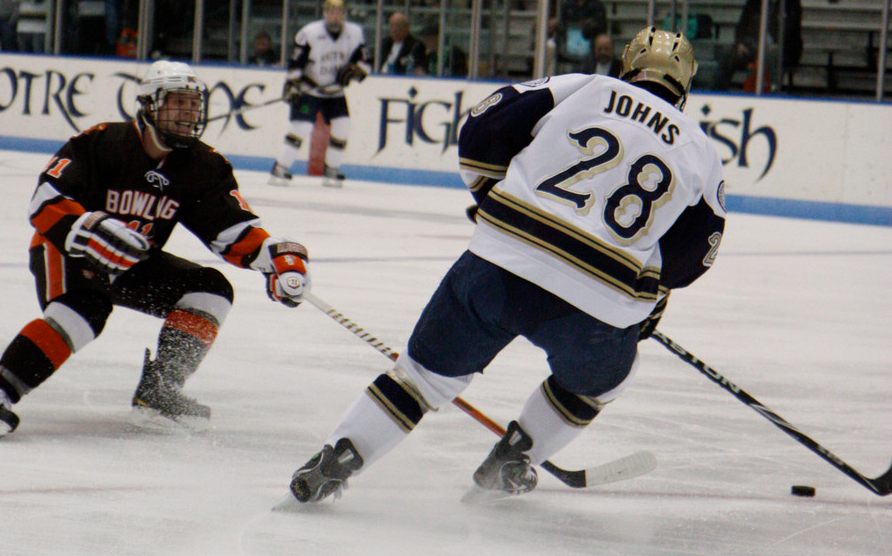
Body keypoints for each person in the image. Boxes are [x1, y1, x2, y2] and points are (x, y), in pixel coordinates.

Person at [284, 26, 726, 505]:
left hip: (497, 267)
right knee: (603, 382)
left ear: (628, 65)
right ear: (685, 84)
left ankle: (335, 460)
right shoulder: (702, 151)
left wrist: (494, 199)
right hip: (595, 308)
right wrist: (645, 299)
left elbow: (483, 127)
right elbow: (694, 256)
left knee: (421, 377)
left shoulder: (585, 87)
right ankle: (513, 460)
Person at [0, 61, 313, 438]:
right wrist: (87, 228)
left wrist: (276, 258)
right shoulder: (102, 143)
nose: (189, 113)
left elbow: (231, 228)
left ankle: (159, 393)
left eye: (194, 104)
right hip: (69, 250)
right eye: (178, 102)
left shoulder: (202, 166)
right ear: (149, 104)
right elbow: (45, 198)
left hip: (132, 261)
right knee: (85, 310)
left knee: (211, 290)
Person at [269, 0, 369, 188]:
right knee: (301, 127)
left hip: (335, 92)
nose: (334, 16)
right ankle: (280, 168)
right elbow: (295, 63)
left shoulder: (355, 33)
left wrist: (356, 72)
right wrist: (293, 84)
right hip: (310, 90)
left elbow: (365, 62)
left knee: (343, 126)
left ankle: (332, 169)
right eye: (331, 11)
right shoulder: (310, 33)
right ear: (325, 13)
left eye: (338, 12)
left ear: (344, 14)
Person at [712, 0, 803, 92]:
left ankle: (770, 92)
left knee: (771, 55)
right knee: (728, 52)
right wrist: (740, 43)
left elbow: (791, 30)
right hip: (753, 47)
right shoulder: (753, 2)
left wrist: (775, 43)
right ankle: (717, 92)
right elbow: (741, 27)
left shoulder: (791, 3)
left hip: (780, 50)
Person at [555, 0, 607, 72]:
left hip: (590, 44)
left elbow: (601, 27)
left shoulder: (597, 6)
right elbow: (562, 24)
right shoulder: (568, 5)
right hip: (569, 43)